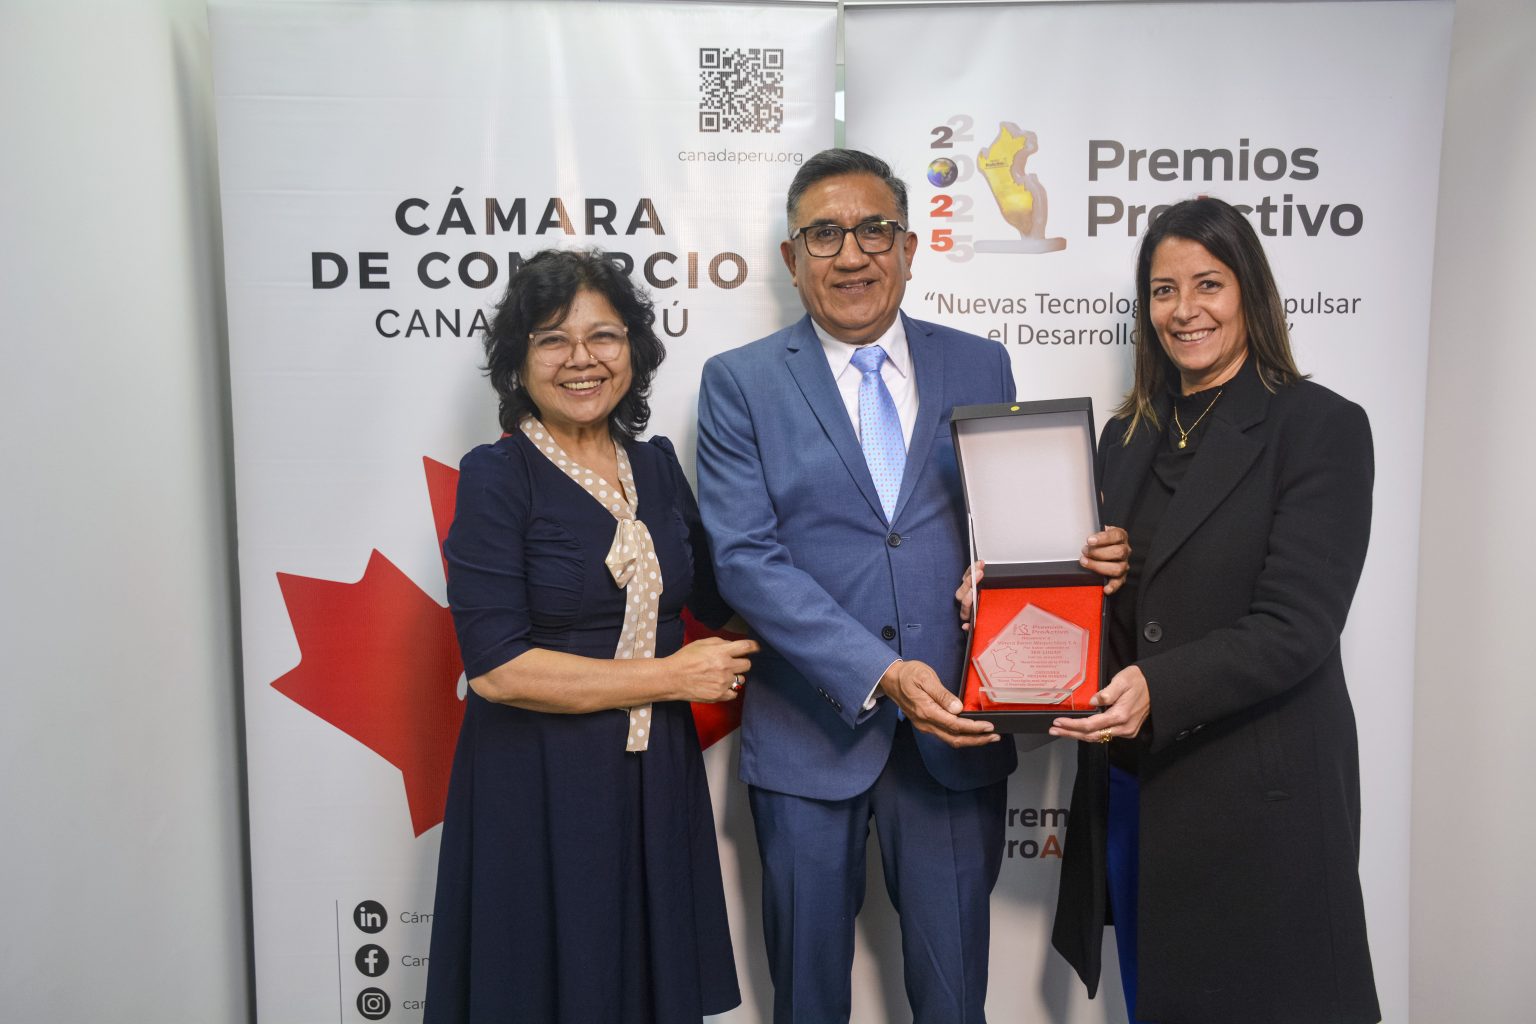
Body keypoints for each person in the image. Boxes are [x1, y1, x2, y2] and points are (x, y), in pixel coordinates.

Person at [695, 149, 1128, 1024]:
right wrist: (880, 673)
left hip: (955, 736)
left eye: (874, 230)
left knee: (955, 996)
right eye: (824, 235)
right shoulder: (739, 382)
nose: (851, 254)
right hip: (808, 736)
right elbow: (745, 560)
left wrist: (1077, 553)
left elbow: (1007, 528)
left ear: (909, 246)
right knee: (807, 999)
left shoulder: (980, 364)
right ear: (791, 258)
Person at [1047, 197, 1381, 1023]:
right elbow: (1131, 612)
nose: (1184, 309)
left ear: (1249, 292)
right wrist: (1079, 583)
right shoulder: (1127, 435)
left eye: (1208, 284)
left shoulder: (1321, 427)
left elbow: (1298, 626)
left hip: (1258, 797)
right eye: (1163, 290)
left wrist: (1158, 686)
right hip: (1138, 788)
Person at [423, 249, 758, 1024]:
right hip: (536, 780)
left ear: (632, 350)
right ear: (519, 362)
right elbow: (497, 669)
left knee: (645, 991)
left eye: (603, 335)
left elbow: (734, 600)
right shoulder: (498, 476)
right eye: (552, 339)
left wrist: (869, 614)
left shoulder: (658, 466)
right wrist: (672, 677)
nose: (581, 358)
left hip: (653, 777)